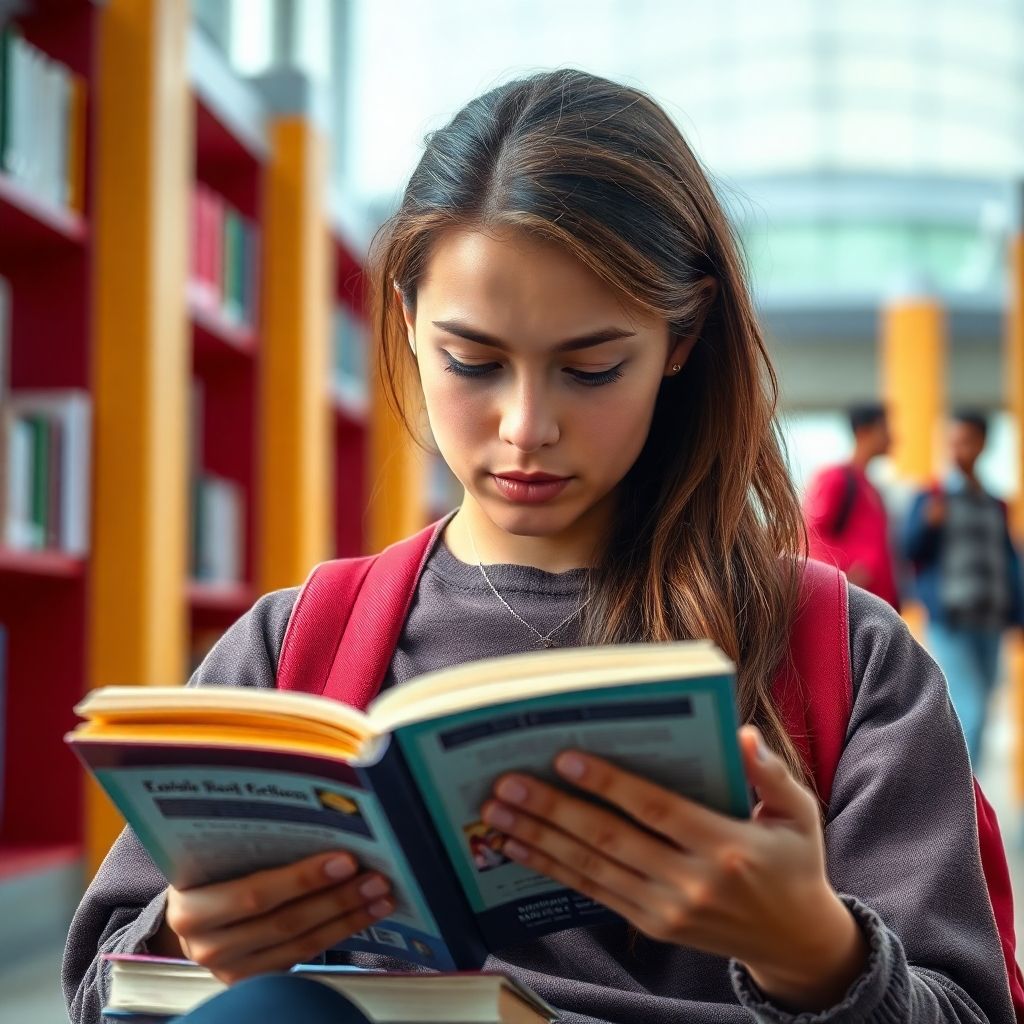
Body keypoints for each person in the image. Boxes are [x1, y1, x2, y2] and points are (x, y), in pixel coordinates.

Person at [63, 70, 1015, 1024]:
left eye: (591, 368)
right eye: (471, 362)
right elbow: (106, 981)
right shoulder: (298, 643)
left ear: (680, 339)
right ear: (406, 321)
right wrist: (189, 937)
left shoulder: (842, 653)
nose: (525, 427)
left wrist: (818, 954)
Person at [904, 410, 1024, 767]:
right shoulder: (932, 497)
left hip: (990, 622)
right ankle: (959, 804)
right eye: (953, 442)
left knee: (984, 711)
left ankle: (971, 803)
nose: (958, 450)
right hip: (951, 621)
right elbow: (910, 550)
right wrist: (927, 525)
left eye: (966, 441)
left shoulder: (995, 504)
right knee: (967, 710)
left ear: (983, 444)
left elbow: (1009, 562)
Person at [803, 403, 901, 609]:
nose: (892, 437)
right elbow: (810, 534)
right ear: (864, 431)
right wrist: (845, 573)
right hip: (850, 603)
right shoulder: (836, 478)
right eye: (885, 428)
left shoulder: (872, 489)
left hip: (877, 606)